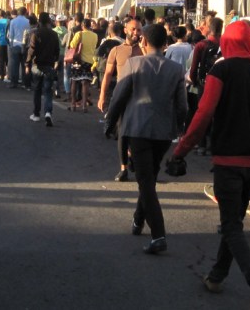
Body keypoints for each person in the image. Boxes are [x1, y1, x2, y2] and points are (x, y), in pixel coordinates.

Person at [171, 21, 250, 308]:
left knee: (230, 225)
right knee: (234, 223)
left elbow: (204, 114)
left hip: (228, 159)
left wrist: (181, 150)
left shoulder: (221, 71)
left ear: (227, 42)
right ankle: (217, 275)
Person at [106, 24, 187, 255]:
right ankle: (138, 219)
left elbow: (119, 96)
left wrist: (110, 123)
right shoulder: (176, 69)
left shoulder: (134, 64)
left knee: (145, 181)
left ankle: (158, 234)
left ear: (144, 41)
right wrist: (179, 127)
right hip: (163, 132)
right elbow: (182, 106)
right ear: (165, 44)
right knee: (149, 177)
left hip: (137, 129)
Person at [99, 19, 143, 181]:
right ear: (125, 30)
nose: (136, 33)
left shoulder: (144, 50)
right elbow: (108, 74)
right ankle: (123, 168)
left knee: (138, 133)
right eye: (133, 29)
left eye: (139, 30)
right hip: (121, 98)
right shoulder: (116, 50)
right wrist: (102, 96)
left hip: (141, 99)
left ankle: (133, 155)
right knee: (122, 133)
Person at [26, 13, 60, 127]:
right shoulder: (54, 34)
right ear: (49, 22)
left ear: (39, 21)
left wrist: (27, 64)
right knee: (48, 91)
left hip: (37, 65)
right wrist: (55, 61)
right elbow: (57, 51)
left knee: (37, 89)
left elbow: (31, 50)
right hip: (49, 65)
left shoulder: (36, 33)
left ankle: (36, 114)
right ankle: (48, 113)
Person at [68, 19, 98, 112]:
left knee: (74, 81)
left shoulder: (79, 34)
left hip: (78, 61)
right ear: (90, 26)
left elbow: (72, 45)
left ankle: (73, 104)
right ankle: (84, 105)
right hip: (89, 61)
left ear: (82, 26)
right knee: (85, 83)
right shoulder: (95, 35)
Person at [8, 7, 30, 88]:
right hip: (25, 45)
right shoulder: (28, 21)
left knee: (15, 65)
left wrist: (11, 45)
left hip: (15, 44)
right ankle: (25, 83)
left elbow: (11, 35)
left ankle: (14, 82)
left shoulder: (13, 21)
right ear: (25, 13)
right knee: (25, 65)